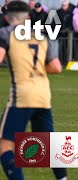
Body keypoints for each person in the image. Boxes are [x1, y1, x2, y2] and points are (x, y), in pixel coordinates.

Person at [0, 1, 66, 179]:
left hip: (22, 95)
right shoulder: (41, 36)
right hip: (43, 95)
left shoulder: (5, 34)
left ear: (7, 16)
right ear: (27, 16)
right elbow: (56, 67)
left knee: (5, 146)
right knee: (50, 145)